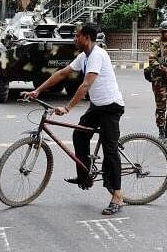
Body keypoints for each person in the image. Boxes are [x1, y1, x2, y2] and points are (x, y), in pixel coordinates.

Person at [22, 23, 126, 215]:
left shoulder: (97, 55)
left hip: (111, 108)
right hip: (97, 106)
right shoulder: (83, 56)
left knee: (110, 150)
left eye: (76, 36)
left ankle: (117, 196)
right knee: (79, 135)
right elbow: (62, 73)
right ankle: (85, 176)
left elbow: (85, 85)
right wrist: (38, 90)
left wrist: (68, 108)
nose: (74, 39)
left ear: (86, 37)